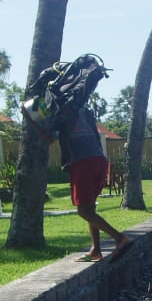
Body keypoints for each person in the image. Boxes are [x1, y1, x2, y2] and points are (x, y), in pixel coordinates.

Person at [63, 100, 132, 263]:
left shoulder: (63, 113)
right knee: (90, 207)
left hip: (83, 162)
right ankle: (96, 250)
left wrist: (29, 119)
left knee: (84, 211)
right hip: (99, 159)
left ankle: (120, 238)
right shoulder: (84, 110)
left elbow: (48, 137)